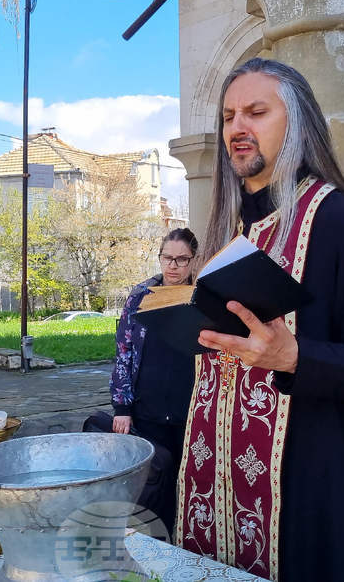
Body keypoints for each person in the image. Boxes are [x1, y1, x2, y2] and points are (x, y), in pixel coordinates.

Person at [175, 58, 344, 581]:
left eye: (257, 112)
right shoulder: (229, 233)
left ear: (297, 120)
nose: (238, 127)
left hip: (310, 485)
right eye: (229, 116)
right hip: (218, 485)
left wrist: (294, 357)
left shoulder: (342, 224)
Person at [110, 227, 200, 533]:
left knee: (188, 484)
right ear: (160, 257)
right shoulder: (141, 295)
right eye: (167, 257)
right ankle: (152, 545)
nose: (173, 265)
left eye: (181, 259)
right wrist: (122, 406)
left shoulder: (200, 296)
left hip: (189, 409)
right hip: (147, 408)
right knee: (152, 486)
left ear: (193, 260)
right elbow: (123, 350)